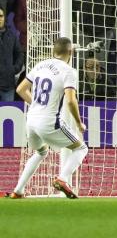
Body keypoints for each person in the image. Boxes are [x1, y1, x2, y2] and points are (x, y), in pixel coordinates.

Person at [5, 38, 87, 199]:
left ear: (53, 51)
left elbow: (21, 89)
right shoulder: (68, 71)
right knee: (81, 148)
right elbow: (71, 100)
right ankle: (62, 179)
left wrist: (37, 105)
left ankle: (18, 190)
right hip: (49, 122)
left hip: (31, 120)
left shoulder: (40, 65)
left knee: (41, 151)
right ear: (70, 52)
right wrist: (79, 123)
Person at [0, 7, 24, 101]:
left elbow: (19, 54)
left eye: (1, 16)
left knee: (7, 114)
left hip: (8, 85)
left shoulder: (12, 36)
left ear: (4, 17)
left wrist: (14, 69)